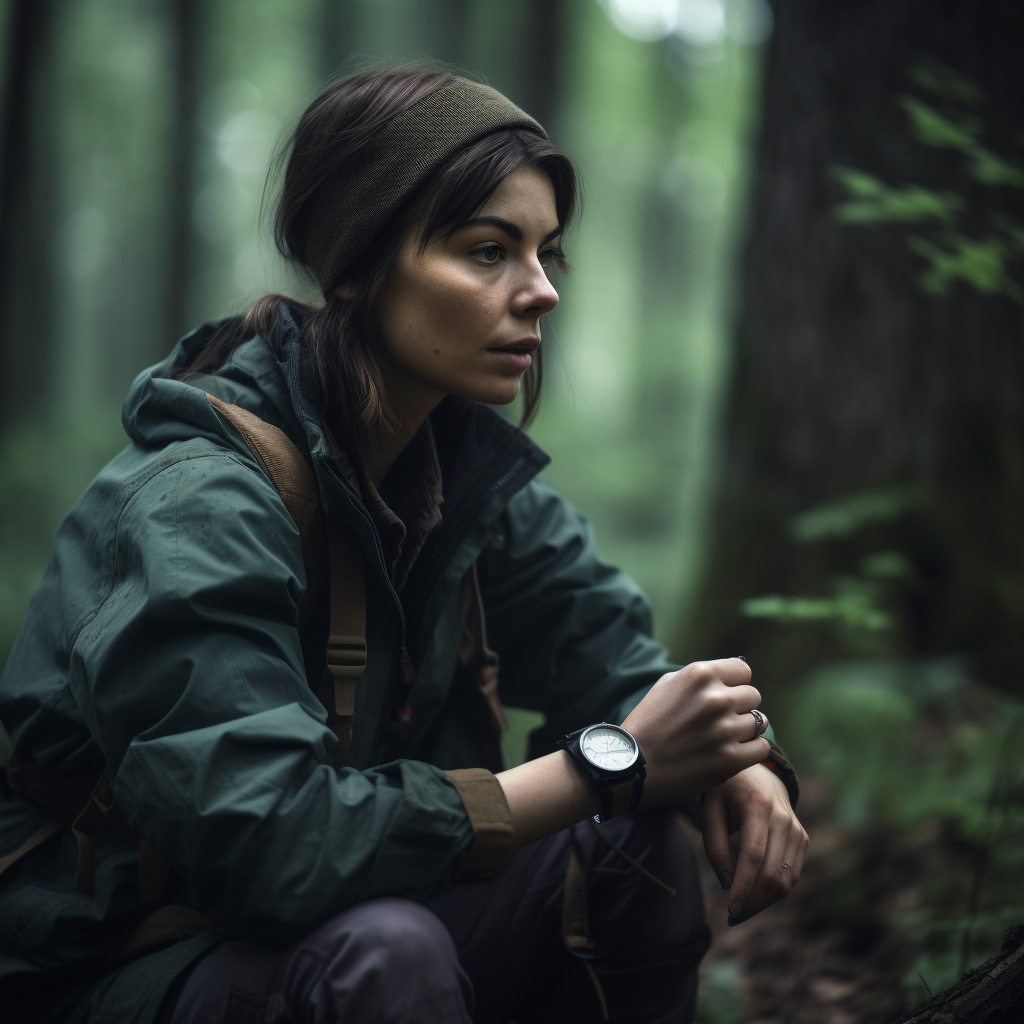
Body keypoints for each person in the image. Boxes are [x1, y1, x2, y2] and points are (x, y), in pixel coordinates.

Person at [0, 68, 808, 1024]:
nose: (542, 292)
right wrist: (606, 767)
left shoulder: (459, 478)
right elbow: (274, 847)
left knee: (644, 857)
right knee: (385, 957)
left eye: (548, 252)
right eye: (487, 251)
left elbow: (618, 659)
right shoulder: (197, 505)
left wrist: (735, 757)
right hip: (124, 968)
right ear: (360, 265)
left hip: (339, 932)